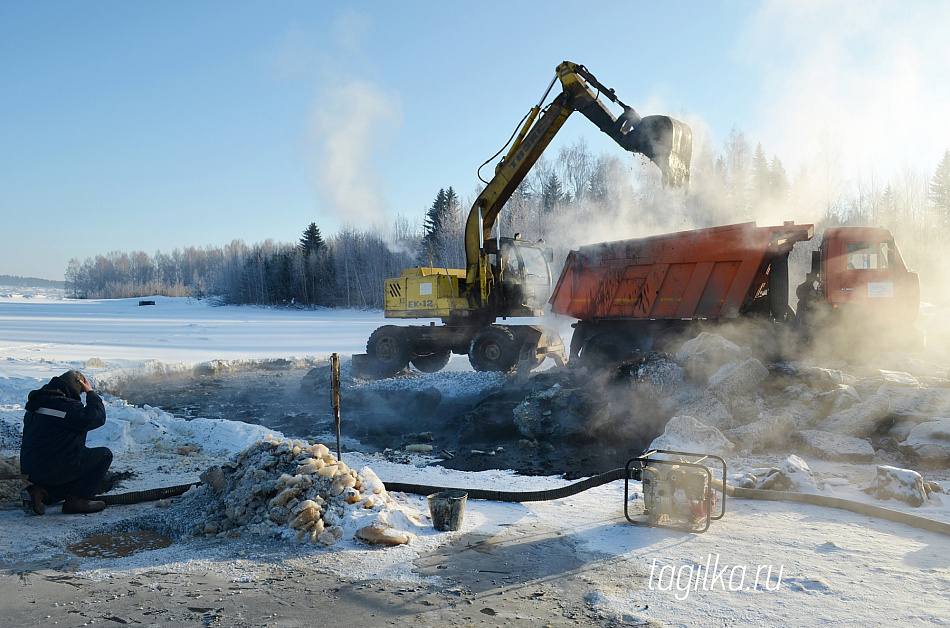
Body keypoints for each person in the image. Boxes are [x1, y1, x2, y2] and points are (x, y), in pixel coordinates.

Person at [20, 370, 112, 515]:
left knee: (71, 466)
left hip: (31, 468)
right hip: (52, 468)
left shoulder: (36, 405)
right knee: (104, 455)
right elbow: (97, 417)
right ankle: (77, 501)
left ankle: (42, 492)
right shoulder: (66, 406)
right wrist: (91, 394)